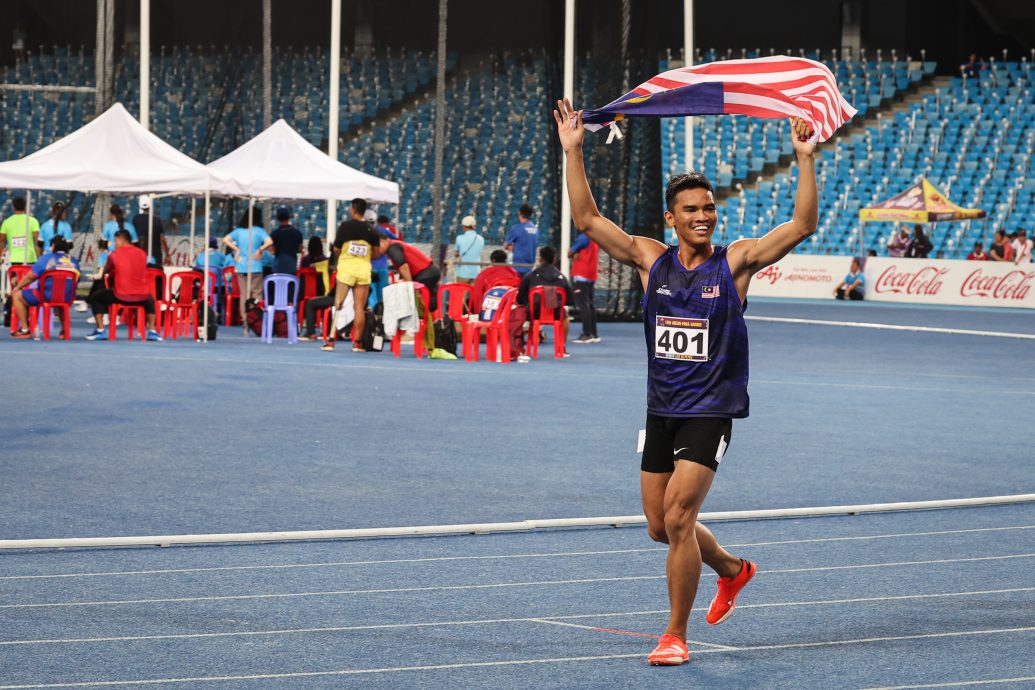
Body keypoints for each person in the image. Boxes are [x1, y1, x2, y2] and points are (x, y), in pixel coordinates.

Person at [555, 98, 818, 666]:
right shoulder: (653, 261)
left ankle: (674, 635)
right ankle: (730, 567)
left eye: (709, 208)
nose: (703, 216)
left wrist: (803, 158)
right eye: (690, 209)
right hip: (661, 408)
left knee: (678, 518)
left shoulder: (737, 263)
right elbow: (587, 221)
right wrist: (574, 151)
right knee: (658, 525)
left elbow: (801, 225)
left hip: (710, 409)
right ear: (670, 218)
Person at [324, 198, 383, 352]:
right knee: (359, 307)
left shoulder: (345, 227)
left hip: (346, 270)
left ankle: (330, 341)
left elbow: (336, 249)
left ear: (352, 210)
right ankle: (357, 343)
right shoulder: (371, 230)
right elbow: (376, 254)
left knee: (338, 305)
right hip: (363, 271)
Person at [85, 229, 162, 342]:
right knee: (150, 300)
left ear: (121, 240)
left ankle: (101, 330)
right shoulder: (142, 254)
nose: (114, 244)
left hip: (121, 295)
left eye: (115, 241)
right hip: (142, 296)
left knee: (96, 297)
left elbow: (107, 271)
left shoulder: (114, 255)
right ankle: (152, 331)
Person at [8, 237, 80, 339]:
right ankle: (64, 330)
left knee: (17, 295)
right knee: (61, 296)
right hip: (67, 297)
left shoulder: (46, 258)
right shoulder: (74, 261)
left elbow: (30, 277)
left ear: (53, 246)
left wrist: (18, 287)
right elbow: (77, 280)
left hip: (45, 296)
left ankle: (25, 330)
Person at [516, 245, 572, 358]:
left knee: (518, 312)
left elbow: (519, 298)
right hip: (555, 313)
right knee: (565, 316)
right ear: (554, 259)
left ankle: (520, 347)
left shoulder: (530, 275)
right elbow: (569, 300)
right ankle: (562, 347)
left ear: (540, 259)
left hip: (533, 314)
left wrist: (528, 304)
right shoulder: (562, 277)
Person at [223, 208, 270, 322]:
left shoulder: (239, 231)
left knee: (244, 294)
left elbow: (225, 239)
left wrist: (236, 248)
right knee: (257, 293)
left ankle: (245, 319)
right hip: (256, 266)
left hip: (241, 266)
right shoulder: (259, 231)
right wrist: (260, 249)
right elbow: (270, 242)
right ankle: (257, 317)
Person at [381, 235, 440, 312]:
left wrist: (408, 288)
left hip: (424, 274)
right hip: (429, 272)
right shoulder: (396, 244)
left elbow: (403, 267)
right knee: (428, 304)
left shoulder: (392, 247)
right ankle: (429, 321)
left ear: (383, 241)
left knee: (415, 306)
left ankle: (420, 321)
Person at [569, 229, 600, 343]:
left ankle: (587, 334)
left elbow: (569, 253)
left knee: (584, 305)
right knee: (590, 305)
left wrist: (574, 254)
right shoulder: (596, 237)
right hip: (591, 275)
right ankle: (594, 334)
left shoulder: (583, 237)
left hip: (581, 274)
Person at [259, 206, 304, 275]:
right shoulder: (297, 233)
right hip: (291, 267)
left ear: (278, 219)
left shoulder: (274, 233)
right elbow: (300, 250)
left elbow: (272, 251)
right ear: (289, 217)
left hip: (278, 267)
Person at [193, 237, 227, 320]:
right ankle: (221, 317)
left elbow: (195, 270)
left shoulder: (200, 256)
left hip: (202, 288)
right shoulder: (222, 256)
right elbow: (227, 270)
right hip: (216, 288)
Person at [0, 196, 40, 265]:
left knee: (16, 276)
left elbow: (1, 242)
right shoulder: (33, 221)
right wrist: (39, 258)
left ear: (13, 207)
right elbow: (37, 242)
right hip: (30, 258)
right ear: (25, 207)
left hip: (14, 259)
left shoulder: (6, 222)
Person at [369, 211, 398, 306]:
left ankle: (373, 316)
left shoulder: (364, 232)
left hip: (370, 267)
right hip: (383, 266)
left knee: (372, 295)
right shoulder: (382, 230)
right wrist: (386, 250)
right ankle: (382, 316)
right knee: (382, 294)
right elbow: (396, 241)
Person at [504, 203, 539, 275]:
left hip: (518, 267)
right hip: (531, 267)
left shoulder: (516, 228)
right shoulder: (536, 229)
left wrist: (517, 249)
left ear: (519, 213)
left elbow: (506, 245)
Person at [132, 195, 165, 267]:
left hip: (140, 252)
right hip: (155, 252)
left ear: (140, 206)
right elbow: (162, 239)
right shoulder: (157, 219)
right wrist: (167, 254)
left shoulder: (135, 219)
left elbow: (134, 237)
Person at [454, 215, 485, 285]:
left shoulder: (459, 238)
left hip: (462, 272)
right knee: (474, 294)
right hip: (476, 272)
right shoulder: (481, 239)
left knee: (462, 294)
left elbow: (456, 254)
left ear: (464, 227)